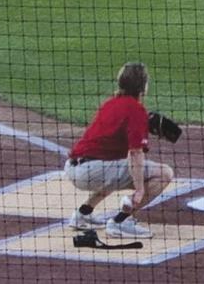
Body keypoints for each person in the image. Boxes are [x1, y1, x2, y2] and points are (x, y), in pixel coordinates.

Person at [65, 62, 174, 239]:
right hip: (92, 171)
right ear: (144, 86)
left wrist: (144, 123)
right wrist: (139, 190)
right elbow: (136, 154)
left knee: (116, 169)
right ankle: (121, 221)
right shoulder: (136, 110)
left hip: (73, 167)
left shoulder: (111, 103)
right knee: (164, 173)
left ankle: (83, 214)